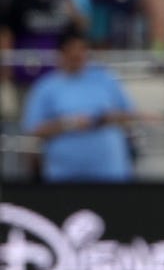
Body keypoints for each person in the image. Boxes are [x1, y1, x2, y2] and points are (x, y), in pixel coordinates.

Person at [21, 27, 140, 182]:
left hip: (110, 175)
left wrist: (104, 118)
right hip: (64, 177)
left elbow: (129, 116)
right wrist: (68, 124)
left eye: (82, 49)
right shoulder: (46, 87)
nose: (78, 55)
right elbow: (33, 130)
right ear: (61, 53)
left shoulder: (105, 79)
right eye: (72, 49)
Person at [1, 0, 85, 114]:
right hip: (27, 71)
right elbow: (7, 34)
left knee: (58, 117)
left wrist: (73, 10)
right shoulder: (20, 0)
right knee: (28, 118)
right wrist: (7, 65)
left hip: (57, 73)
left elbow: (79, 30)